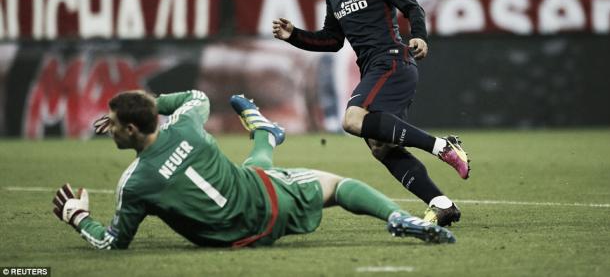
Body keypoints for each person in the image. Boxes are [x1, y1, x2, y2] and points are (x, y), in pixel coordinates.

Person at [52, 90, 455, 249]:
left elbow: (112, 242)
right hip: (269, 204)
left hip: (237, 238)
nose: (108, 130)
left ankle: (266, 133)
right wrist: (151, 102)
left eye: (114, 123)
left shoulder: (133, 185)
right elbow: (195, 97)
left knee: (255, 169)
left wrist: (79, 216)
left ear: (131, 129)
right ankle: (398, 217)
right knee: (336, 184)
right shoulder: (187, 124)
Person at [272, 0, 469, 226]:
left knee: (352, 120)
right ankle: (441, 203)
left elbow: (412, 6)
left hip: (392, 59)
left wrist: (419, 36)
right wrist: (293, 35)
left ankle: (442, 147)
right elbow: (331, 41)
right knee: (381, 147)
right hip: (375, 69)